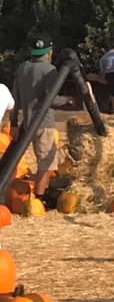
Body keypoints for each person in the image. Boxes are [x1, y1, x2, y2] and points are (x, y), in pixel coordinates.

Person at [12, 39, 63, 199]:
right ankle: (40, 198)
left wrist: (14, 123)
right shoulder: (50, 70)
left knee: (20, 158)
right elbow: (52, 99)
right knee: (46, 162)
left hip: (26, 123)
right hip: (44, 122)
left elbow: (15, 98)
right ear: (49, 52)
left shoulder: (23, 68)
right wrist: (68, 99)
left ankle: (13, 190)